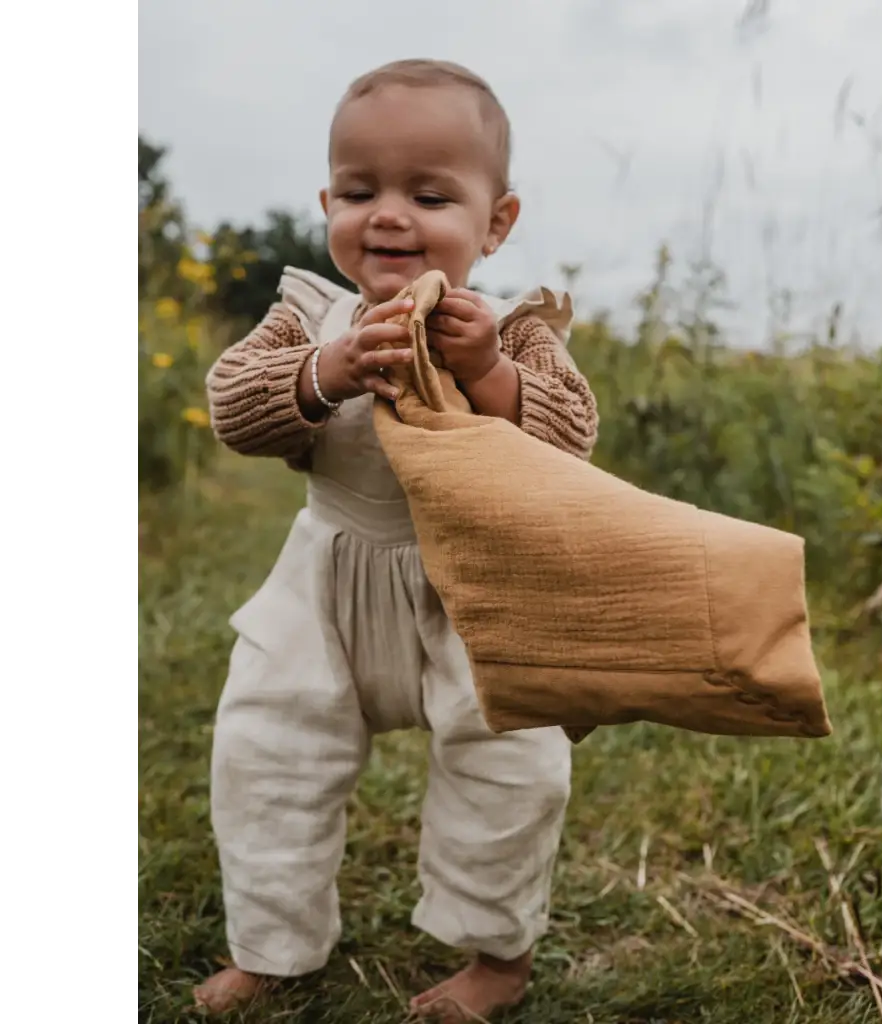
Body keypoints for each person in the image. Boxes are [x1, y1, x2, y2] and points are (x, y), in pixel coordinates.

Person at [194, 58, 599, 1022]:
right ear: (328, 201)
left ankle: (496, 955)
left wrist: (489, 374)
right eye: (361, 190)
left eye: (429, 193)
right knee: (266, 752)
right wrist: (322, 373)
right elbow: (234, 412)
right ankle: (273, 944)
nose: (389, 215)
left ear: (495, 223)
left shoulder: (512, 330)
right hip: (324, 580)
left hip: (472, 590)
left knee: (511, 766)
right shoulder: (306, 317)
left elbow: (570, 436)